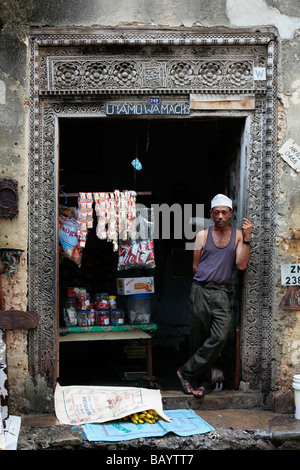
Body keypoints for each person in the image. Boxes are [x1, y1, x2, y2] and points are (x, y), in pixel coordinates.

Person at [177, 194, 252, 398]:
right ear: (211, 214)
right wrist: (205, 283)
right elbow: (195, 266)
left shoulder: (238, 235)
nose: (220, 216)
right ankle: (202, 382)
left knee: (218, 337)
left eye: (224, 212)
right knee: (198, 339)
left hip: (221, 293)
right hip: (201, 289)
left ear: (231, 214)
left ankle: (185, 371)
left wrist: (247, 238)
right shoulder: (202, 235)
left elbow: (241, 265)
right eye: (216, 212)